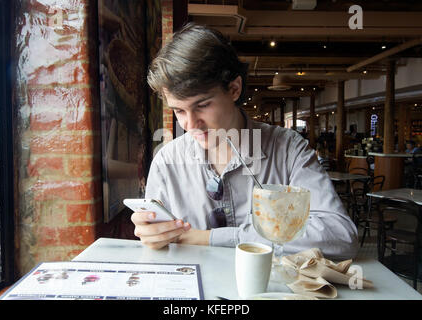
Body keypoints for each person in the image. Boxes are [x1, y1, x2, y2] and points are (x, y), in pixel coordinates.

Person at [131, 23, 358, 260]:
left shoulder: (288, 150)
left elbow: (340, 236)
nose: (190, 124)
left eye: (203, 105)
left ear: (234, 89)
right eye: (179, 111)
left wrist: (209, 238)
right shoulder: (167, 161)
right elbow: (158, 245)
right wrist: (151, 233)